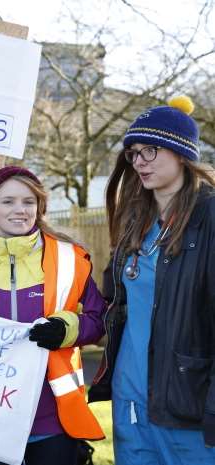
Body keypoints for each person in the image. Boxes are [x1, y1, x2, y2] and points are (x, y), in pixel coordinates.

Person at [0, 166, 106, 465]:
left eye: (28, 202)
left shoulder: (72, 258)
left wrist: (66, 328)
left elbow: (99, 320)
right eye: (8, 201)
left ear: (40, 207)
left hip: (52, 420)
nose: (19, 210)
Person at [89, 96, 215, 464]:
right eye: (133, 154)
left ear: (181, 153)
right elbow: (115, 305)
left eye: (151, 151)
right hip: (131, 398)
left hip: (188, 403)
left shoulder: (209, 218)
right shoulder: (134, 220)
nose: (139, 162)